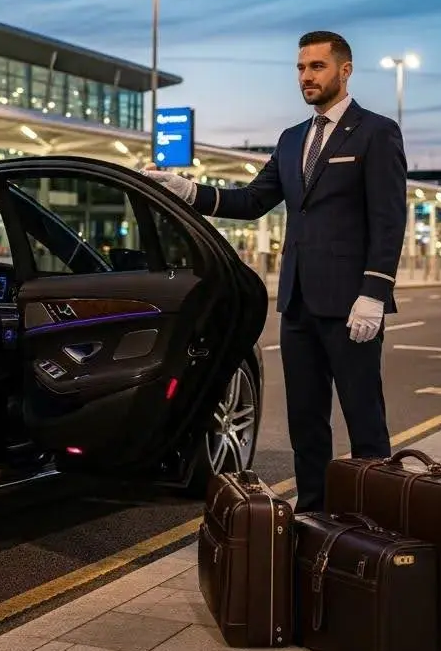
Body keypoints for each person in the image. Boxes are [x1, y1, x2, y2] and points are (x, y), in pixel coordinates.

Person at [144, 31, 408, 512]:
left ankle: (378, 526)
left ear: (344, 71)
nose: (307, 76)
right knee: (306, 422)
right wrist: (188, 191)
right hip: (298, 304)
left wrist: (374, 291)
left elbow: (390, 220)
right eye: (301, 68)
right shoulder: (292, 141)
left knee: (364, 420)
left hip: (352, 306)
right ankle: (312, 516)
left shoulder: (376, 131)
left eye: (317, 67)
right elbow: (251, 202)